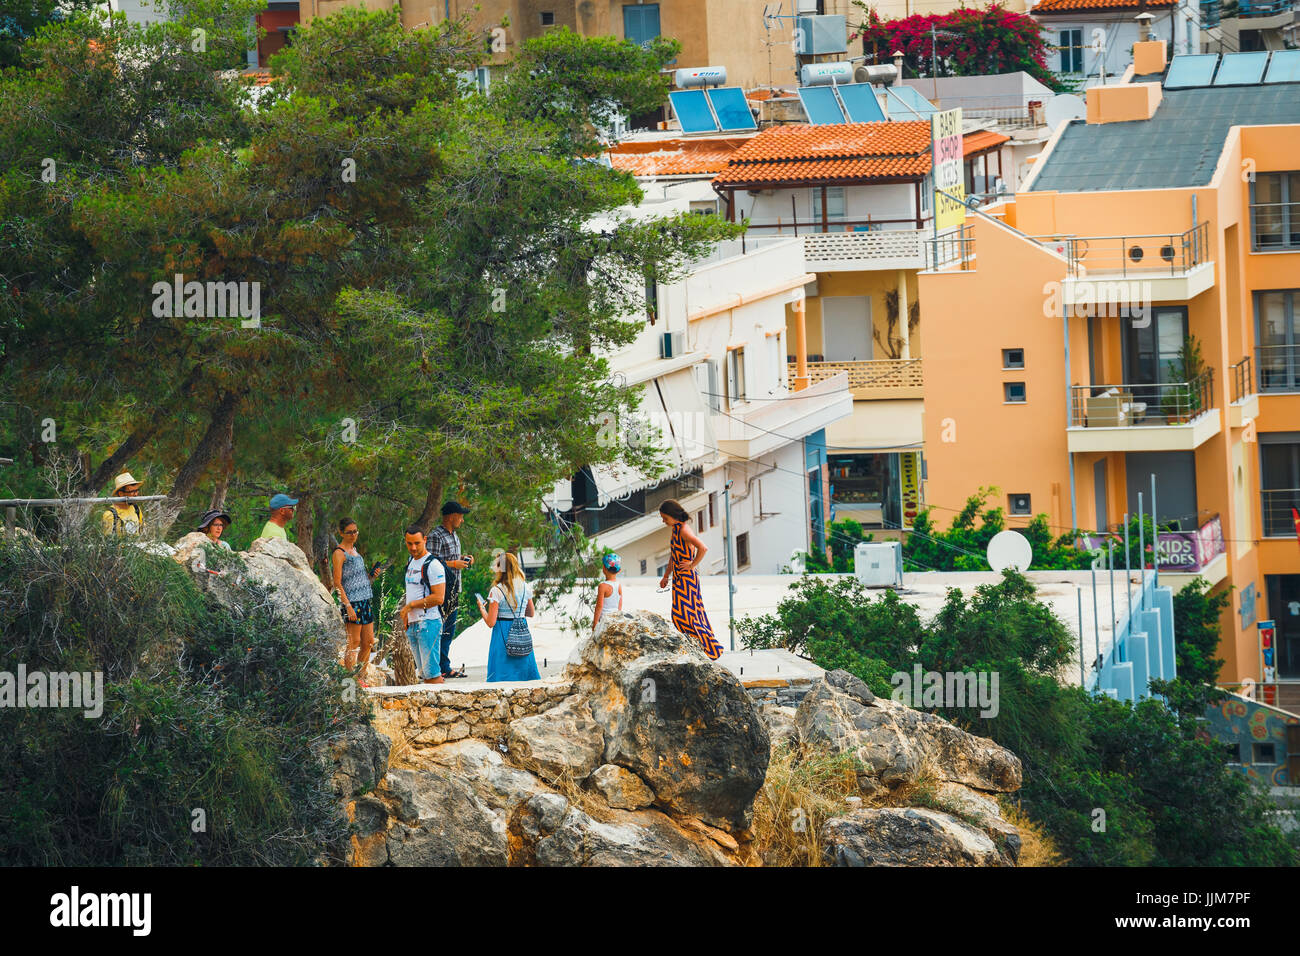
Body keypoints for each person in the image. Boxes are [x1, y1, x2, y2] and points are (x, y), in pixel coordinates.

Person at [658, 499, 723, 660]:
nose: (663, 521)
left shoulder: (684, 530)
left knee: (688, 615)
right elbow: (674, 556)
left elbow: (703, 547)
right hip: (679, 578)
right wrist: (666, 575)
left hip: (687, 578)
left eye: (665, 518)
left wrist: (693, 564)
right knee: (679, 614)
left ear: (673, 516)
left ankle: (707, 648)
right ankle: (696, 646)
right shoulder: (676, 529)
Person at [426, 500, 473, 679]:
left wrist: (464, 559)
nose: (462, 520)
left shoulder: (454, 535)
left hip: (454, 589)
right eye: (460, 517)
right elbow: (430, 561)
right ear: (452, 516)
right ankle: (437, 667)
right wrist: (454, 563)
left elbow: (448, 558)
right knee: (441, 629)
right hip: (441, 590)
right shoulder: (436, 535)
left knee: (449, 630)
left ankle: (444, 666)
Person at [331, 517, 384, 677]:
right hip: (352, 603)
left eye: (355, 531)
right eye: (349, 532)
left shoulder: (356, 552)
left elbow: (358, 579)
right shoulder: (339, 553)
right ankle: (350, 680)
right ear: (341, 533)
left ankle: (360, 677)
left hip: (365, 600)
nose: (353, 535)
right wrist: (347, 606)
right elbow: (337, 582)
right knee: (353, 643)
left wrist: (371, 575)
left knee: (368, 642)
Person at [478, 551, 540, 682]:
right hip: (521, 632)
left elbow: (491, 622)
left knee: (502, 677)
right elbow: (531, 613)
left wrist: (482, 608)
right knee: (524, 677)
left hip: (503, 636)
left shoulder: (497, 590)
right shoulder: (525, 587)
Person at [400, 525, 445, 685]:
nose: (413, 547)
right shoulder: (411, 561)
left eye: (417, 543)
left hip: (428, 622)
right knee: (424, 674)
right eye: (409, 543)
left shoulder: (433, 565)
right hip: (413, 623)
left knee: (432, 675)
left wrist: (411, 606)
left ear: (425, 540)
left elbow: (439, 598)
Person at [102, 472, 146, 537]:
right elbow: (108, 541)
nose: (136, 494)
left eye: (137, 490)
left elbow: (142, 532)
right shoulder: (110, 514)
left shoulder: (136, 509)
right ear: (121, 494)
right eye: (132, 492)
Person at [591, 552, 623, 633]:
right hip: (615, 620)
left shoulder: (603, 586)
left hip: (604, 621)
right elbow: (619, 605)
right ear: (619, 570)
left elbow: (599, 606)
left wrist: (595, 623)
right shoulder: (619, 585)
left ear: (604, 569)